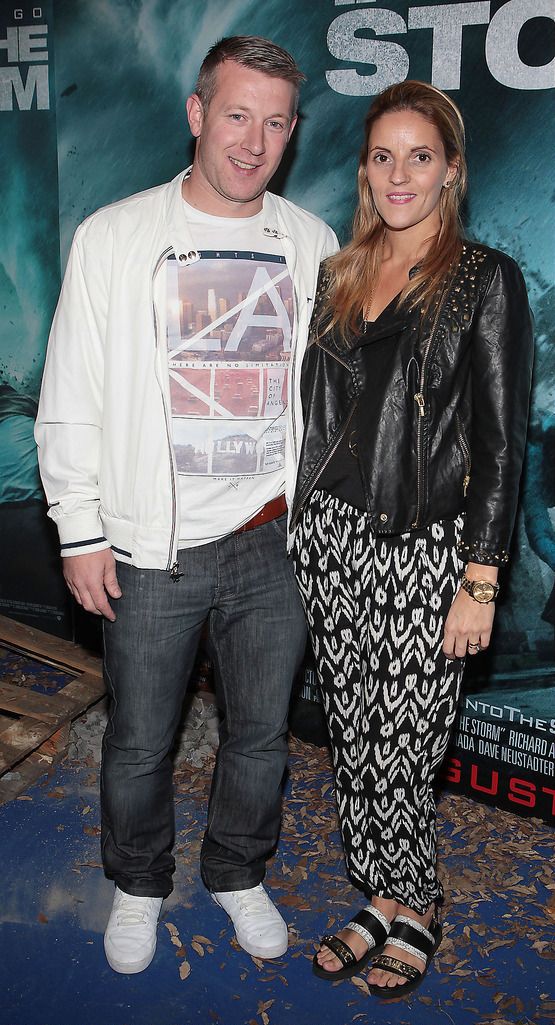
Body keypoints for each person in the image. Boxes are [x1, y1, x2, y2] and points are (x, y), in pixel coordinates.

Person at [35, 35, 337, 974]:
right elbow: (70, 392)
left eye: (275, 122)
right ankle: (136, 882)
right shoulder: (114, 237)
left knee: (257, 736)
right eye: (236, 114)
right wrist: (80, 531)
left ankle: (238, 871)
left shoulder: (311, 242)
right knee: (137, 741)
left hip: (272, 540)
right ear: (198, 113)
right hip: (151, 547)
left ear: (291, 132)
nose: (253, 141)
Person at [291, 81, 533, 997]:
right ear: (364, 170)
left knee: (404, 744)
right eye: (383, 156)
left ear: (450, 170)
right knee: (353, 738)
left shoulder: (483, 280)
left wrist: (479, 577)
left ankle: (418, 900)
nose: (400, 174)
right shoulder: (340, 274)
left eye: (419, 156)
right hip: (333, 542)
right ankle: (379, 895)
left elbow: (502, 442)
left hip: (424, 551)